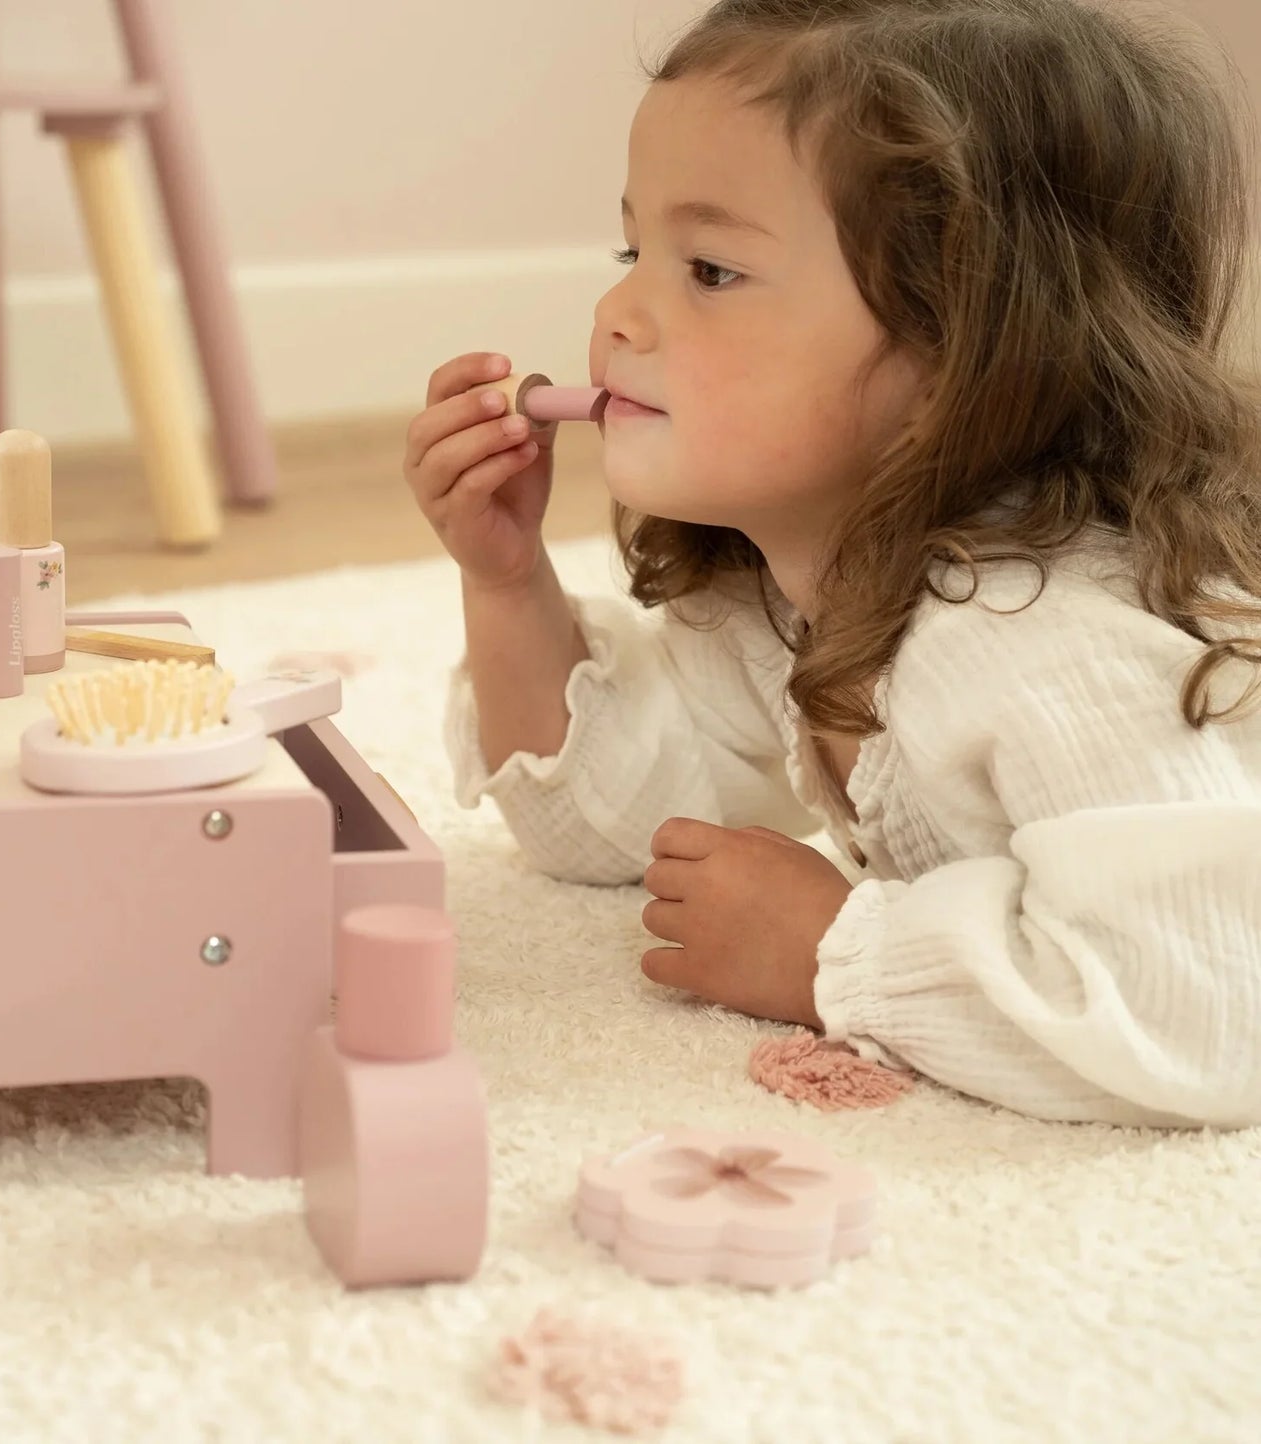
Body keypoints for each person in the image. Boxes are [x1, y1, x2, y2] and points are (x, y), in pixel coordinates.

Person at [401, 0, 1261, 1128]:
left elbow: (1199, 1016)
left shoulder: (1043, 640)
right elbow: (613, 832)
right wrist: (505, 582)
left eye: (708, 269)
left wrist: (828, 951)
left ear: (955, 346)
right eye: (632, 250)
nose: (616, 310)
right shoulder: (782, 587)